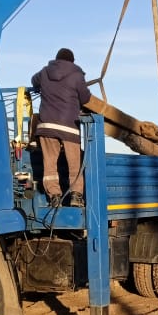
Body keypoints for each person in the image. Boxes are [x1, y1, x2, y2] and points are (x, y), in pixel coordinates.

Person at [31, 48, 91, 207]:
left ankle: (54, 196)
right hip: (69, 126)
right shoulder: (77, 75)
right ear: (72, 61)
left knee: (49, 163)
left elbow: (33, 81)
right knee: (74, 164)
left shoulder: (45, 72)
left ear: (56, 59)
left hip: (47, 125)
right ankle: (76, 196)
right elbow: (85, 98)